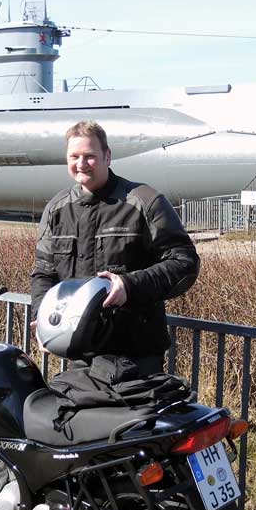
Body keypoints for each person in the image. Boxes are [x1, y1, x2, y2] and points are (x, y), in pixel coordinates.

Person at [29, 120, 199, 378]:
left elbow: (184, 262)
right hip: (79, 353)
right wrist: (44, 318)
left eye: (89, 156)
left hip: (136, 358)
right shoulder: (57, 209)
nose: (81, 164)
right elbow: (44, 272)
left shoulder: (144, 201)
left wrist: (128, 286)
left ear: (107, 156)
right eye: (74, 156)